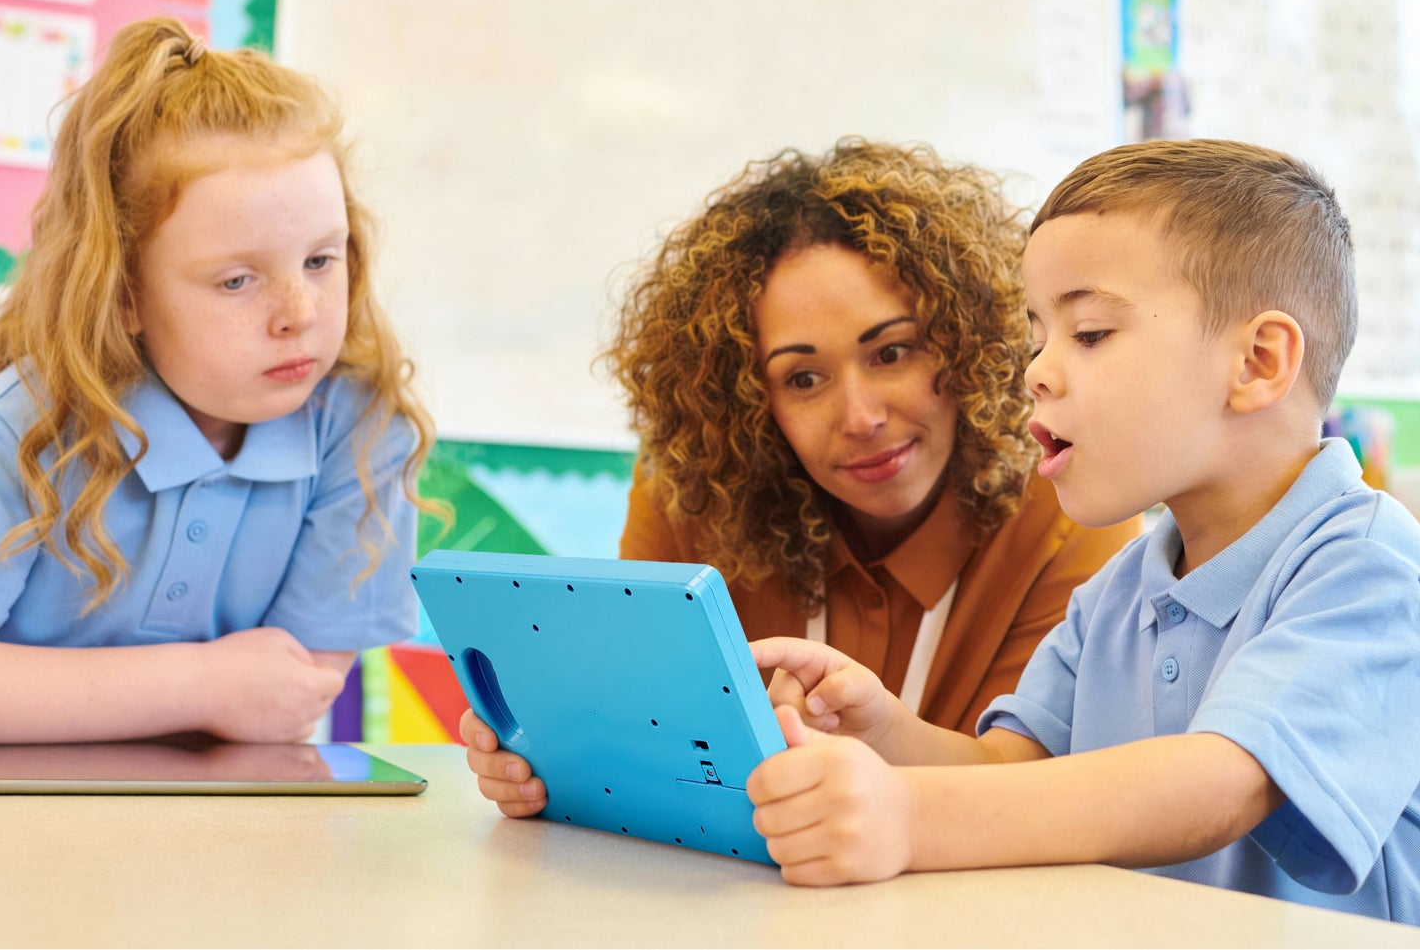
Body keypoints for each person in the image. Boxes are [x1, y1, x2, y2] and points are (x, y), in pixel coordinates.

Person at [739, 139, 1420, 934]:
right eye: (1037, 336)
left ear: (1258, 362)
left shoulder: (1366, 567)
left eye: (1088, 332)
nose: (1035, 370)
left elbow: (1215, 785)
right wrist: (884, 733)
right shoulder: (1120, 591)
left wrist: (913, 816)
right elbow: (1008, 768)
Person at [0, 17, 438, 752]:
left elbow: (285, 702)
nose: (300, 312)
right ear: (123, 294)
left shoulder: (361, 428)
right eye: (237, 280)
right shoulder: (24, 427)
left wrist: (227, 694)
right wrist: (201, 683)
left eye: (321, 260)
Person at [460, 140, 1141, 811]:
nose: (861, 417)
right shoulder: (692, 490)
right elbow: (641, 736)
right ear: (750, 404)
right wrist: (559, 760)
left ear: (971, 343)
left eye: (892, 352)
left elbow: (1040, 789)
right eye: (803, 378)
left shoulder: (1071, 505)